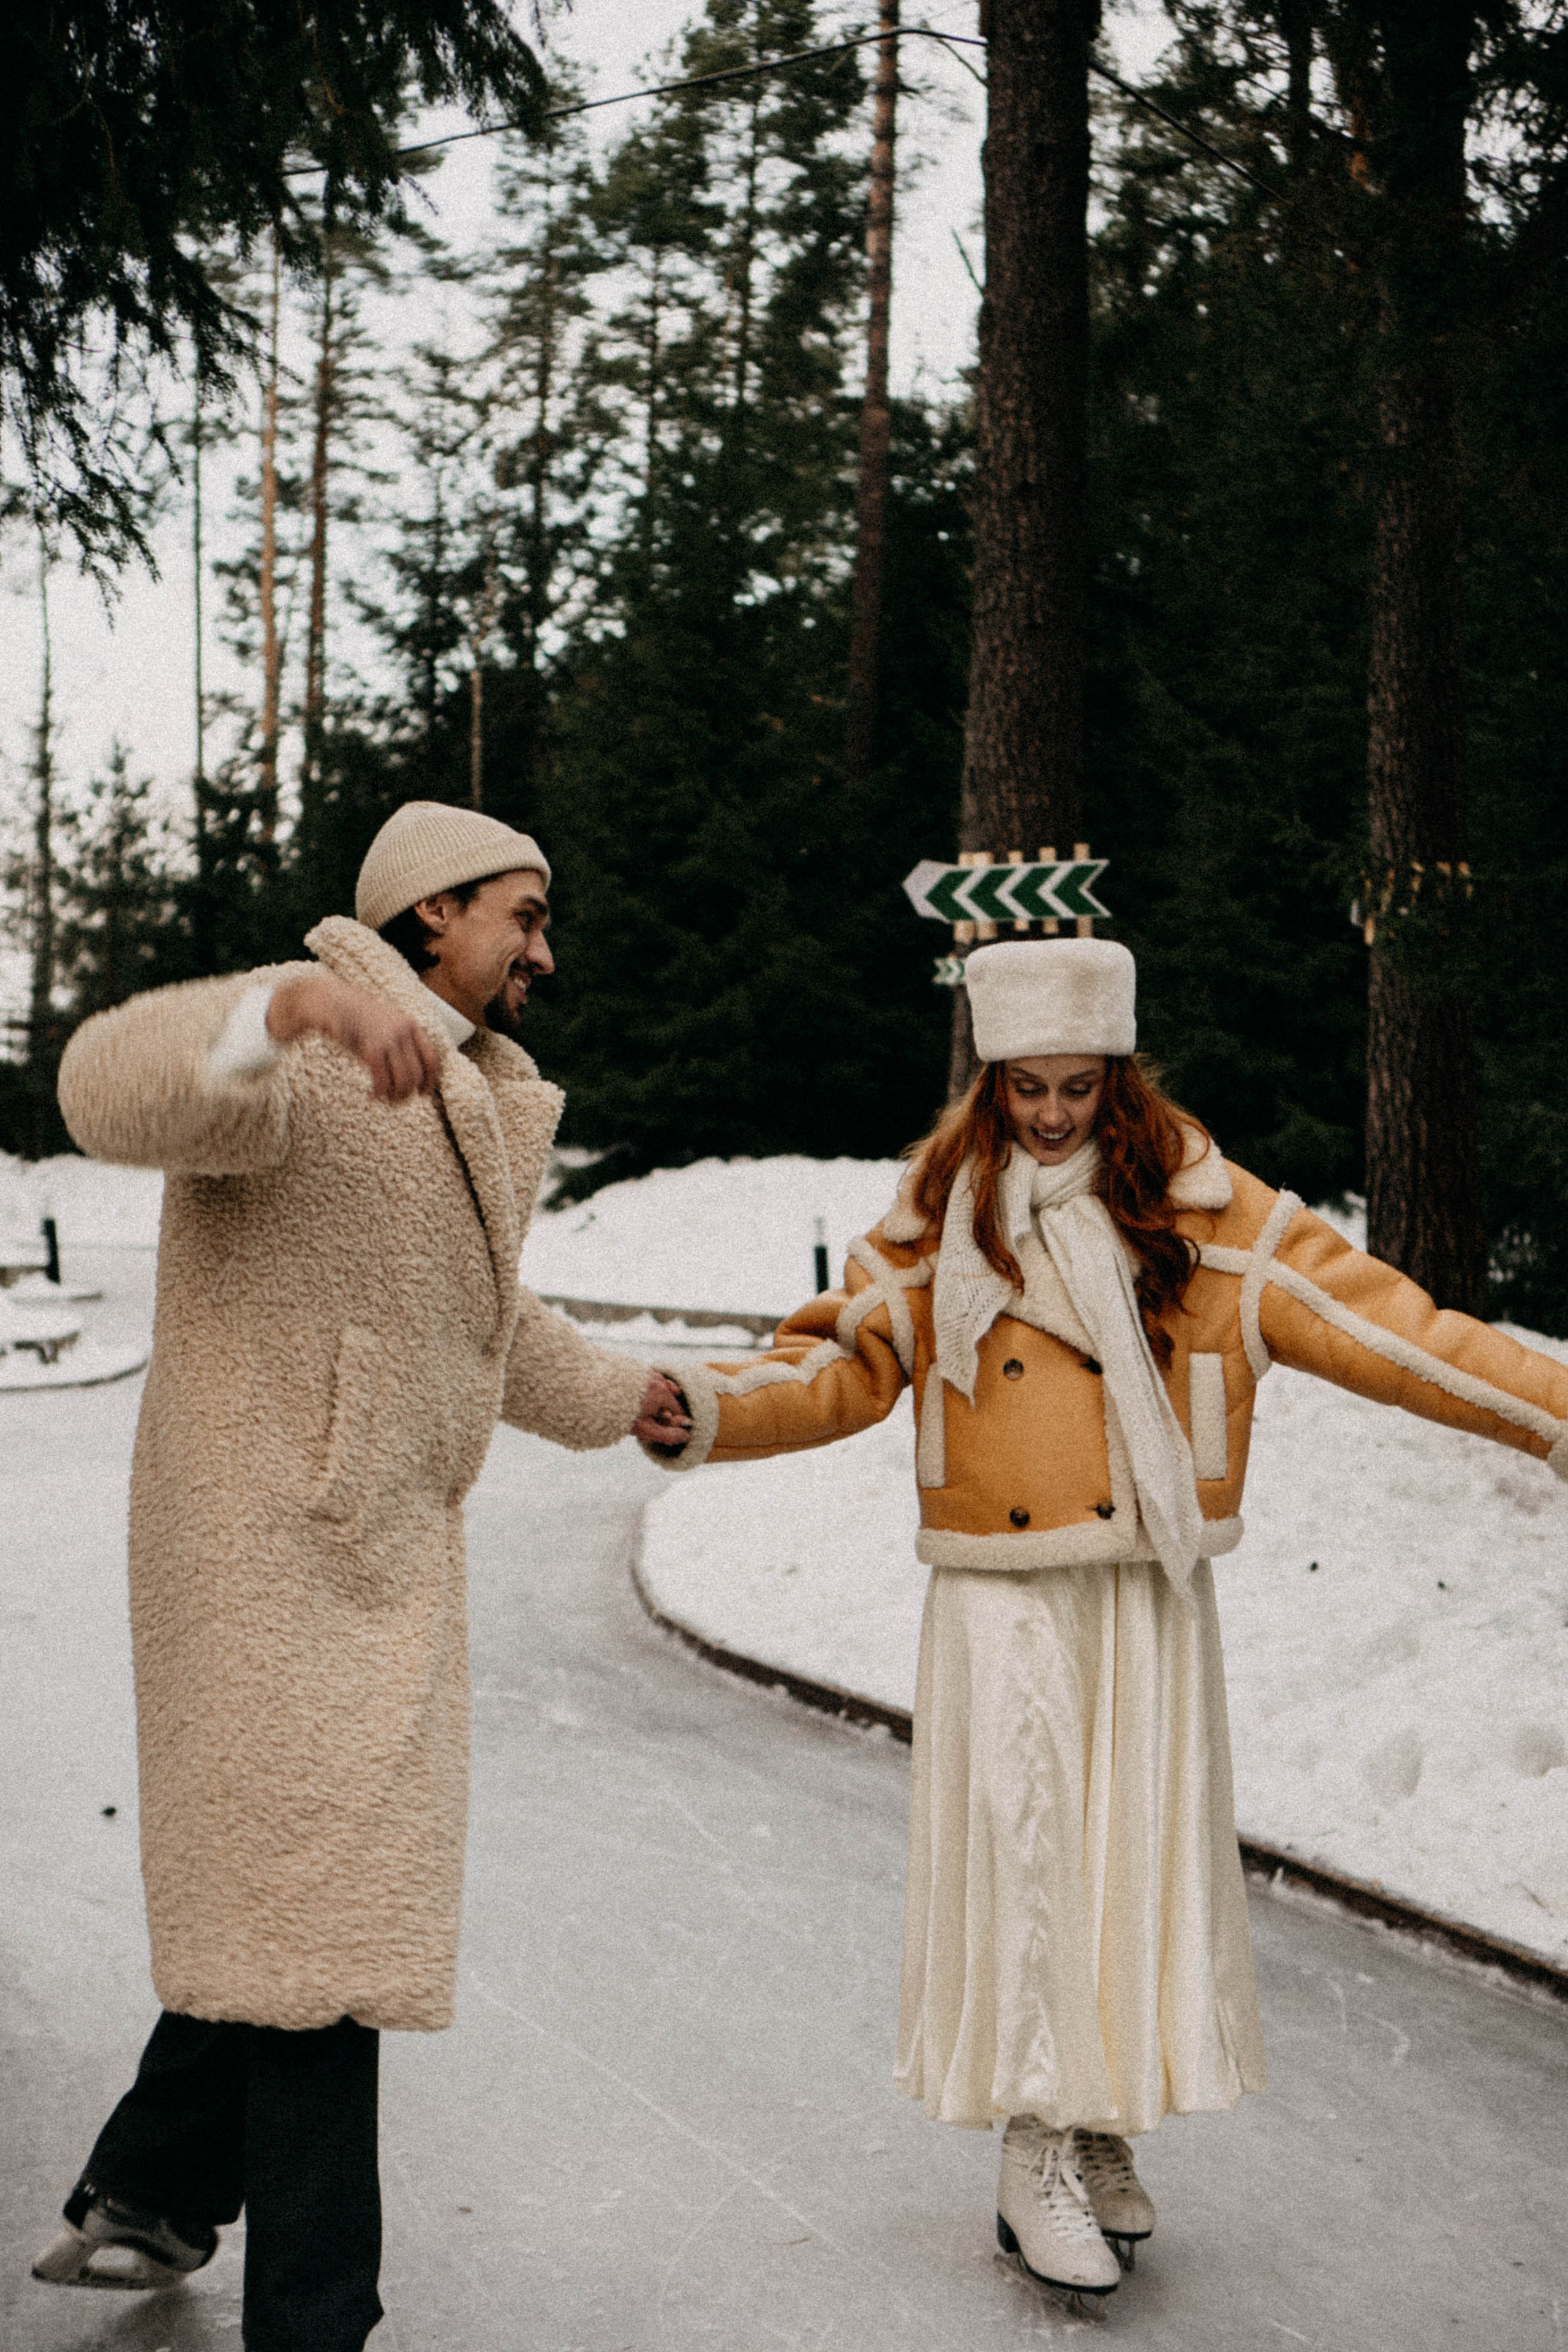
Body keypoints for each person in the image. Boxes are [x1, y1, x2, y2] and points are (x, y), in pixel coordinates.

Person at [641, 937, 1568, 2309]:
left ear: (1120, 1077)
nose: (1053, 1114)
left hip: (1141, 1582)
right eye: (1026, 1087)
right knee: (1029, 1855)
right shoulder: (938, 1216)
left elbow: (1393, 1330)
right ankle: (1032, 2155)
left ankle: (1088, 2114)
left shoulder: (1204, 1214)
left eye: (1079, 1086)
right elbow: (835, 1363)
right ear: (990, 1080)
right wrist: (712, 1408)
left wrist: (1548, 1413)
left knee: (1117, 1854)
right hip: (1000, 1593)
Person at [33, 800, 692, 2347]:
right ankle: (318, 2324)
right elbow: (97, 1092)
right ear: (426, 917)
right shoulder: (307, 1054)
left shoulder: (471, 1091)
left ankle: (148, 2188)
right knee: (323, 1955)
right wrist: (279, 1009)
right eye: (520, 915)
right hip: (260, 1561)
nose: (545, 948)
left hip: (373, 1562)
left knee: (290, 1912)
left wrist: (625, 1398)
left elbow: (481, 1327)